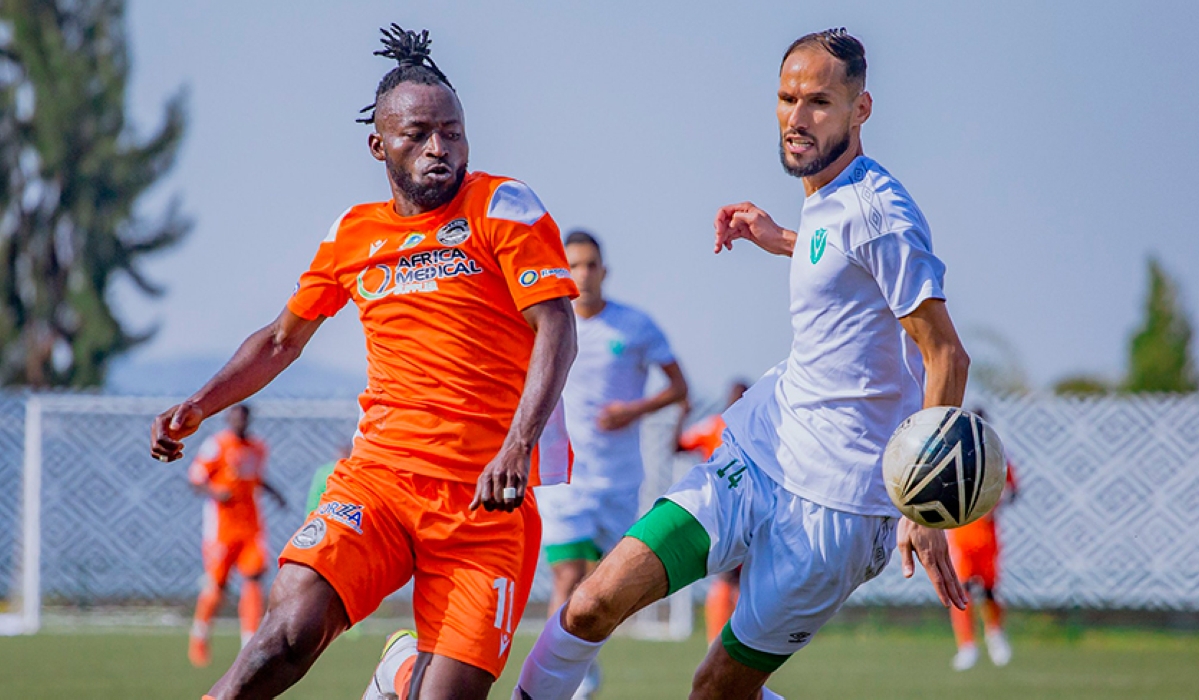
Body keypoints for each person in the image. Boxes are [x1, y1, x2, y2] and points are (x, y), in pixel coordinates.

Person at [513, 28, 970, 700]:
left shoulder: (881, 212)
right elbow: (840, 260)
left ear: (860, 109)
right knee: (588, 605)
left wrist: (923, 509)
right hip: (759, 454)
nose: (796, 117)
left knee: (715, 691)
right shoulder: (827, 197)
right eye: (786, 99)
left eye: (817, 101)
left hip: (838, 507)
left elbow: (945, 354)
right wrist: (781, 238)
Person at [150, 25, 578, 700]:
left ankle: (404, 672)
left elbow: (555, 324)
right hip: (377, 486)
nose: (439, 148)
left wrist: (517, 445)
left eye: (453, 132)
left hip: (482, 504)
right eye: (418, 134)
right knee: (284, 635)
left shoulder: (501, 205)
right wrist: (201, 404)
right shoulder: (354, 233)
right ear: (378, 144)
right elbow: (282, 340)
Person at [535, 229, 688, 699]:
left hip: (619, 479)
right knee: (567, 576)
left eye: (590, 265)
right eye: (574, 265)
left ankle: (583, 662)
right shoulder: (547, 325)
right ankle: (555, 683)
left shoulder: (635, 326)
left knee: (605, 588)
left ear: (604, 271)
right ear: (563, 271)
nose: (582, 274)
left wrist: (633, 411)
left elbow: (680, 387)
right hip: (564, 479)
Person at [186, 403, 286, 668]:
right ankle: (200, 634)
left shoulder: (257, 447)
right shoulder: (216, 445)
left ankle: (249, 642)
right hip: (222, 528)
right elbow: (195, 479)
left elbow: (254, 478)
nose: (239, 422)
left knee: (254, 580)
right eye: (235, 417)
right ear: (229, 418)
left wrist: (274, 493)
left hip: (251, 527)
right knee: (216, 586)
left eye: (244, 417)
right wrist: (215, 492)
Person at [675, 380, 749, 643]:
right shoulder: (714, 426)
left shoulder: (753, 429)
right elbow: (677, 446)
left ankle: (733, 641)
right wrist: (682, 414)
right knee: (730, 575)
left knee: (740, 576)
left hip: (749, 511)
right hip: (722, 511)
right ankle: (720, 640)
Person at [947, 408, 1019, 670]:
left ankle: (995, 634)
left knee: (989, 590)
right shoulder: (953, 454)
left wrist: (995, 502)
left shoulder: (996, 456)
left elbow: (1013, 490)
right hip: (961, 534)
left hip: (987, 535)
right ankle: (967, 645)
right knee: (962, 591)